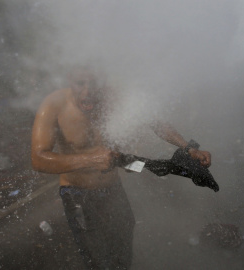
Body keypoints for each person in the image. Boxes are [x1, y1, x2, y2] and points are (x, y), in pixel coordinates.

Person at [30, 66, 211, 269]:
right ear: (69, 80)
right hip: (77, 193)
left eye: (94, 84)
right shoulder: (54, 105)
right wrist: (90, 160)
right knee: (96, 254)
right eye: (80, 83)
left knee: (123, 240)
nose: (87, 92)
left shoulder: (113, 98)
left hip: (112, 188)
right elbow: (38, 159)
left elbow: (155, 122)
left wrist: (188, 148)